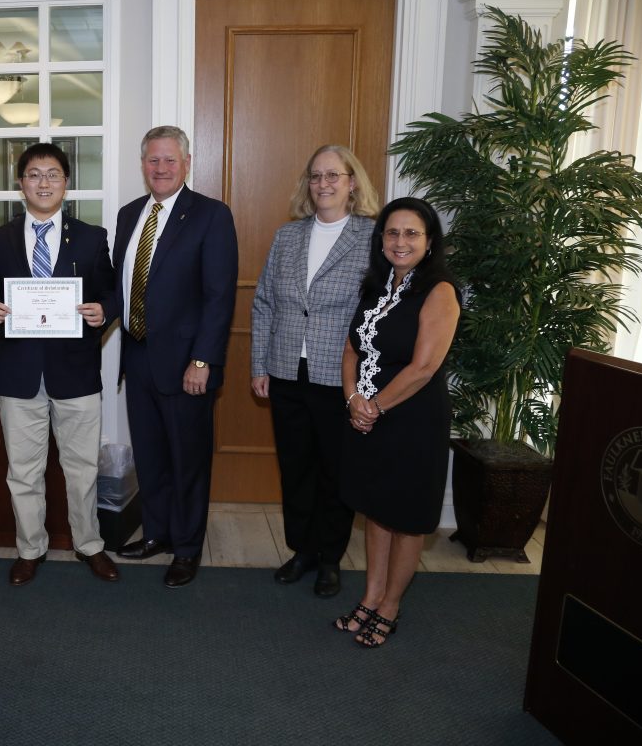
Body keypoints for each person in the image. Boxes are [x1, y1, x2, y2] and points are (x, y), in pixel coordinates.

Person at [0, 143, 121, 586]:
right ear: (21, 184)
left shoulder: (92, 236)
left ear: (66, 183)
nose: (43, 182)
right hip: (19, 375)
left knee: (82, 468)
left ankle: (89, 545)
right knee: (23, 471)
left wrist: (102, 311)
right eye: (34, 174)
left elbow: (111, 293)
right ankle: (30, 548)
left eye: (52, 174)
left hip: (76, 373)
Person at [250, 145, 379, 598]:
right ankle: (301, 550)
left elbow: (387, 304)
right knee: (296, 466)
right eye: (316, 176)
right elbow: (264, 300)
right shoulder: (288, 237)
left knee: (334, 470)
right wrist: (260, 363)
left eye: (333, 176)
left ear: (352, 183)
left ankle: (329, 557)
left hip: (339, 374)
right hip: (286, 370)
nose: (323, 184)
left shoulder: (373, 236)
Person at [113, 125, 238, 588]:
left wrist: (203, 361)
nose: (160, 168)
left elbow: (219, 296)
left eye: (169, 160)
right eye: (152, 160)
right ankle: (158, 534)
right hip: (138, 356)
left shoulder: (210, 215)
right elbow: (119, 286)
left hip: (188, 364)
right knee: (150, 457)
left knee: (188, 460)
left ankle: (186, 548)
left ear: (186, 161)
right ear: (142, 164)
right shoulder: (129, 216)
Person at [334, 197, 460, 647]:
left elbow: (424, 367)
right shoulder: (377, 284)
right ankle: (370, 597)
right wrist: (353, 397)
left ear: (429, 243)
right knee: (376, 511)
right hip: (367, 414)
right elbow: (351, 348)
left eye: (411, 233)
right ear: (381, 239)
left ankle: (390, 607)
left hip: (411, 420)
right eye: (392, 232)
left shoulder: (440, 290)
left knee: (405, 517)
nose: (400, 241)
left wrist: (373, 407)